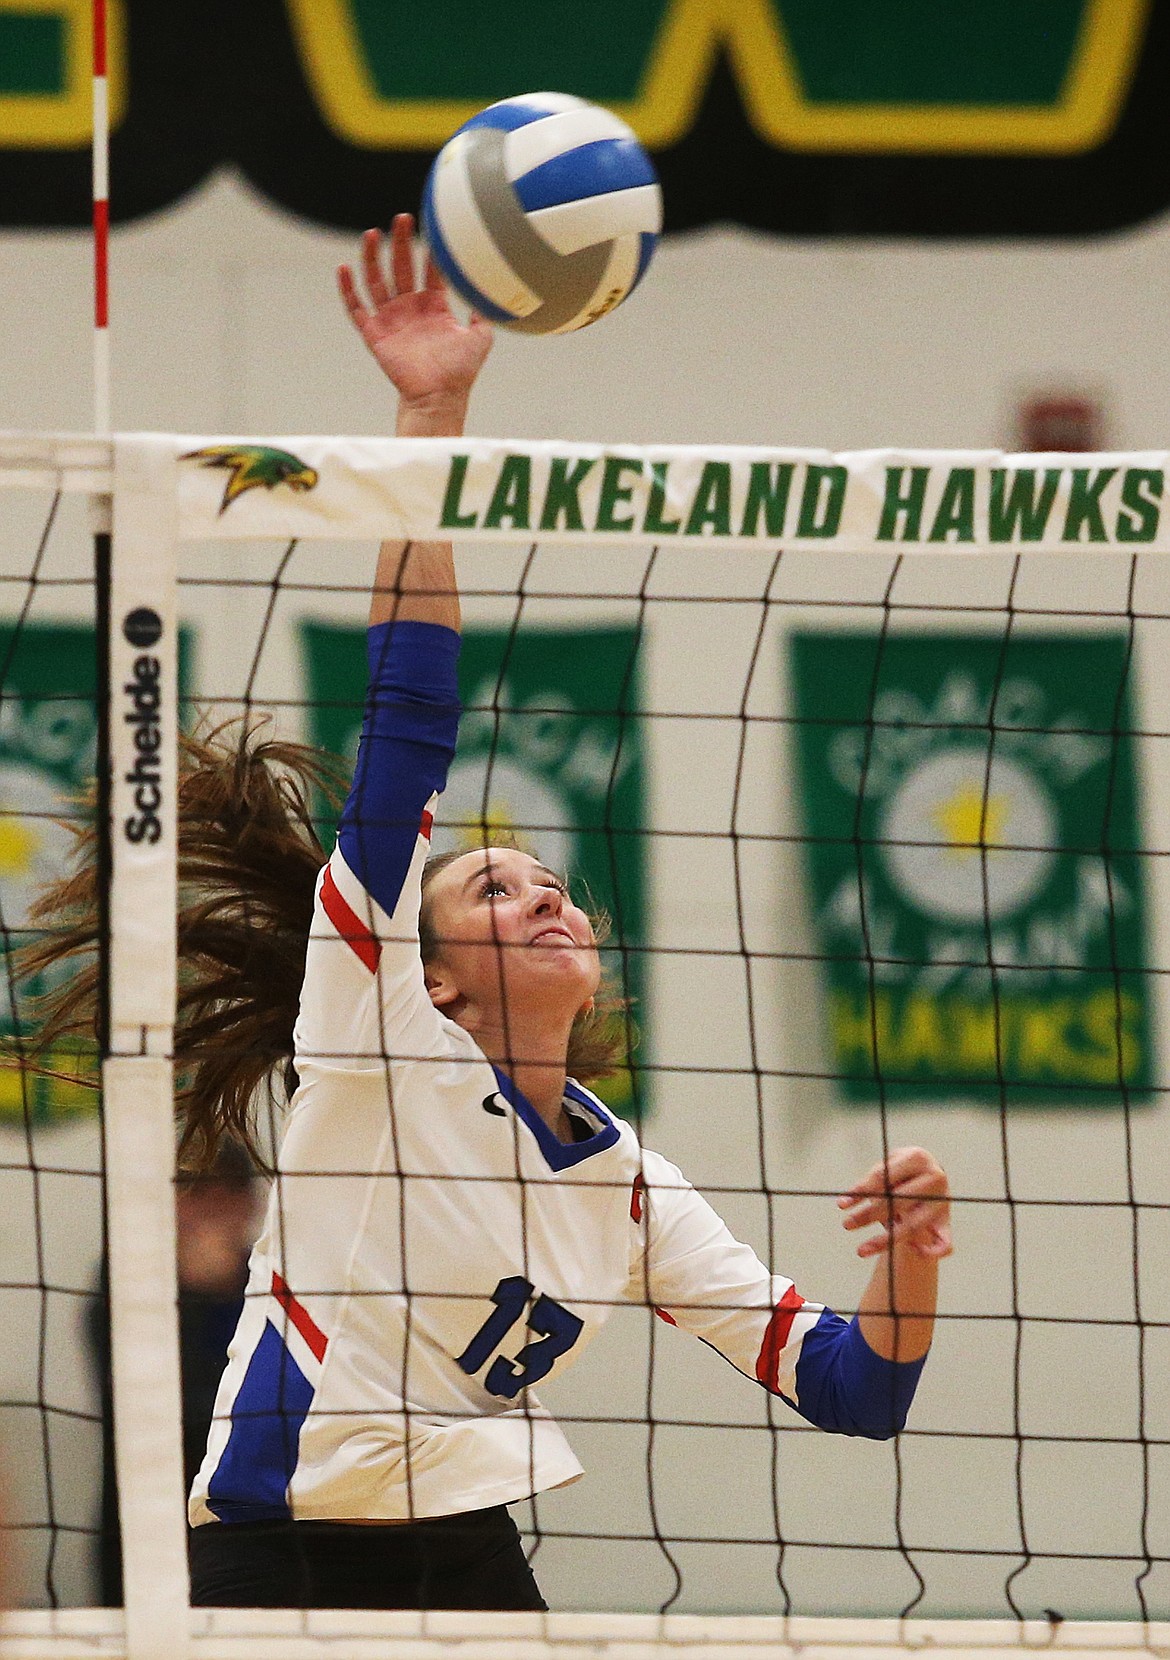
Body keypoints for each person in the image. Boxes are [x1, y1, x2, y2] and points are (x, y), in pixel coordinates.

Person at [29, 215, 953, 1613]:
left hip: (464, 1557)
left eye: (549, 883)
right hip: (274, 1557)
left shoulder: (629, 1188)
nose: (540, 895)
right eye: (490, 888)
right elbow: (405, 725)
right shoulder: (378, 1039)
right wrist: (429, 417)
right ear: (434, 977)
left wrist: (912, 1267)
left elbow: (857, 1390)